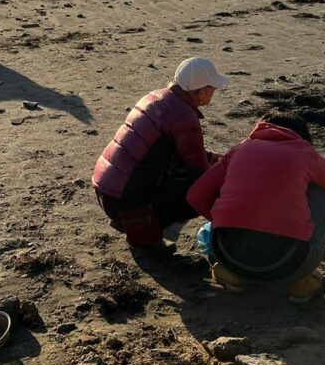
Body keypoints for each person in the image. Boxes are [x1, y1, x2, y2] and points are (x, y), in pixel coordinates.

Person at [186, 111, 325, 303]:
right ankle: (301, 283)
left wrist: (223, 218)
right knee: (321, 188)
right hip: (287, 262)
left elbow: (196, 196)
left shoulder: (239, 150)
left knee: (234, 185)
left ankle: (233, 275)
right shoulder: (306, 155)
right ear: (302, 136)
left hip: (227, 253)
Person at [92, 57, 229, 250]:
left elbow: (181, 152)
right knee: (202, 187)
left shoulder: (158, 97)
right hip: (124, 200)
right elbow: (198, 171)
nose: (213, 94)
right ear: (202, 91)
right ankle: (145, 237)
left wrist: (216, 158)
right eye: (213, 89)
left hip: (106, 189)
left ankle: (128, 223)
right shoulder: (184, 116)